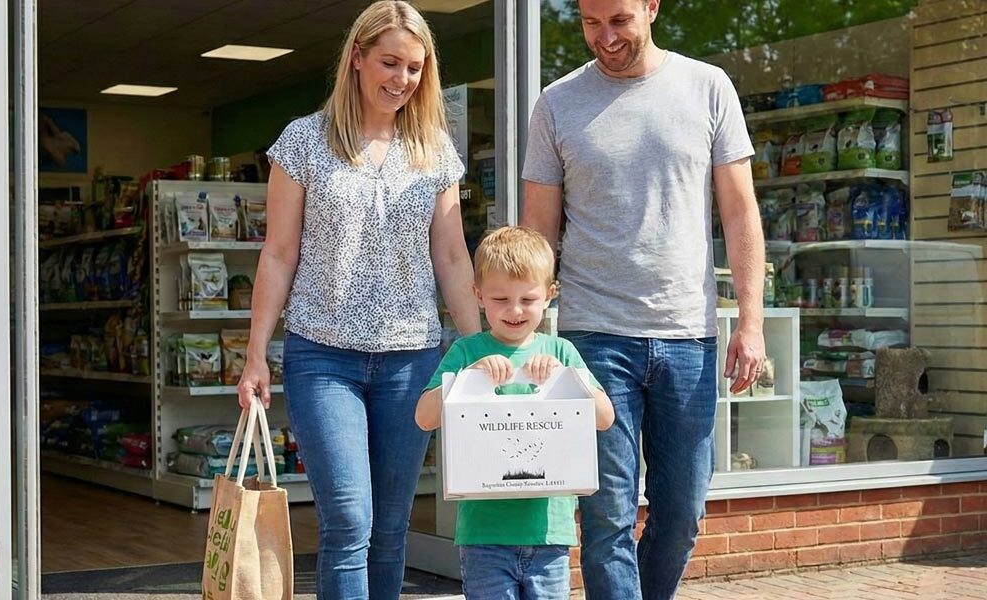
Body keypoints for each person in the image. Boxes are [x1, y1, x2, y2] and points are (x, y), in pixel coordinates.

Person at [235, 2, 481, 599]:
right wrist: (255, 354)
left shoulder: (434, 151)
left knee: (391, 529)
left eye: (415, 68)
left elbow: (451, 257)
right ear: (356, 58)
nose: (401, 79)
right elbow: (278, 253)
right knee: (350, 522)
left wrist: (477, 348)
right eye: (389, 62)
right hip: (324, 356)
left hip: (412, 359)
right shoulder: (303, 141)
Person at [521, 1, 766, 599]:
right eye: (590, 22)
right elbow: (537, 233)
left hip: (689, 336)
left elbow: (739, 214)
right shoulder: (556, 102)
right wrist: (528, 334)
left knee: (682, 515)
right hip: (594, 336)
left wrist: (751, 323)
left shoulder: (707, 87)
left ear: (652, 7)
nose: (604, 38)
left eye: (620, 21)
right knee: (606, 518)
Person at [414, 226, 614, 600]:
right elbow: (424, 418)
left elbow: (605, 418)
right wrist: (466, 379)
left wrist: (566, 378)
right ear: (478, 296)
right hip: (483, 535)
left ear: (550, 296)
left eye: (528, 298)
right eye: (501, 298)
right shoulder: (466, 353)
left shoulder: (563, 352)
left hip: (549, 533)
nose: (515, 310)